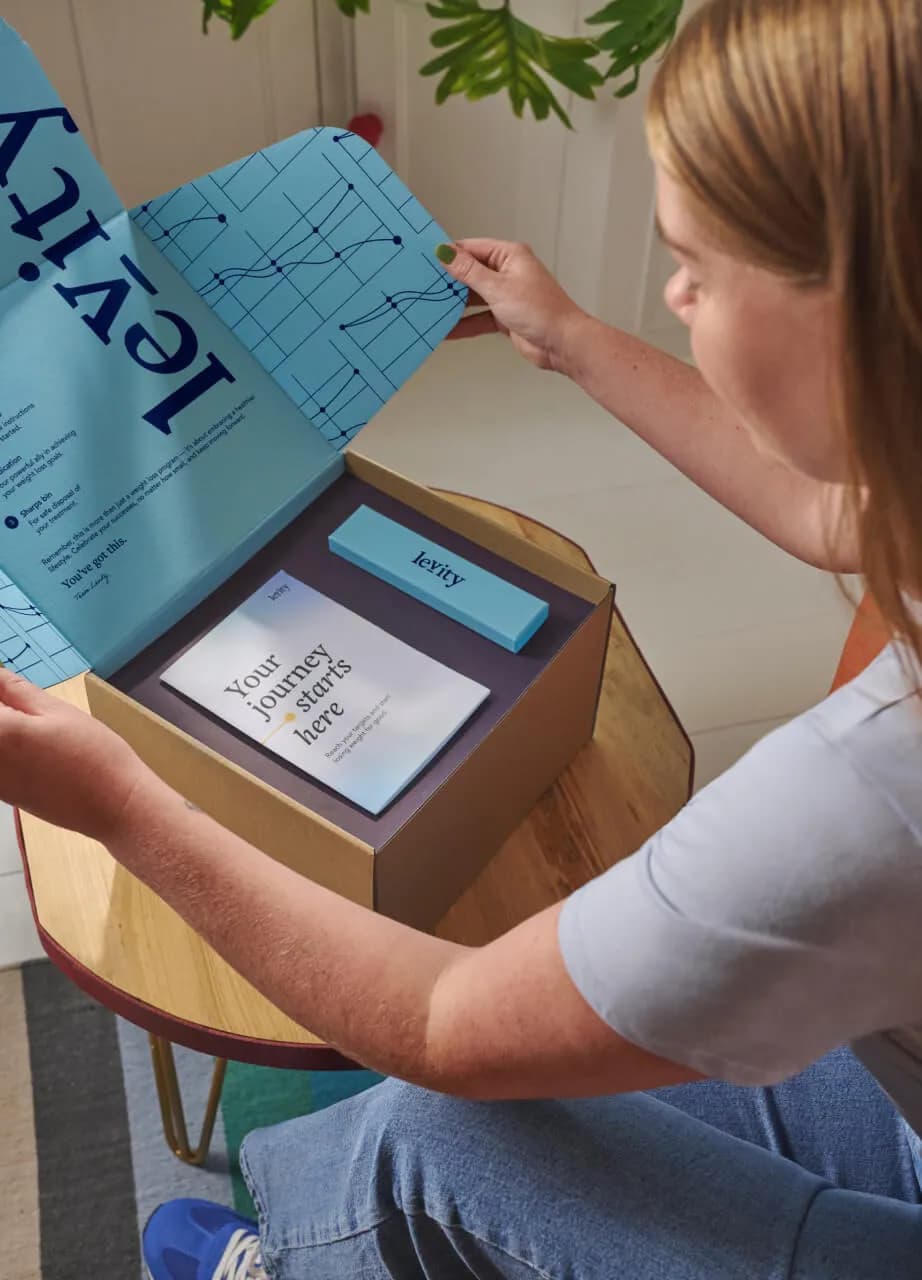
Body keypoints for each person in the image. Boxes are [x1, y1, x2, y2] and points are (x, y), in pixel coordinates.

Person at [4, 0, 922, 1275]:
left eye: (697, 269)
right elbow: (843, 513)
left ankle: (294, 1256)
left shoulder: (868, 796)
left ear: (861, 316)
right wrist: (579, 344)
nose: (672, 294)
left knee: (453, 1129)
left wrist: (117, 801)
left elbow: (442, 1018)